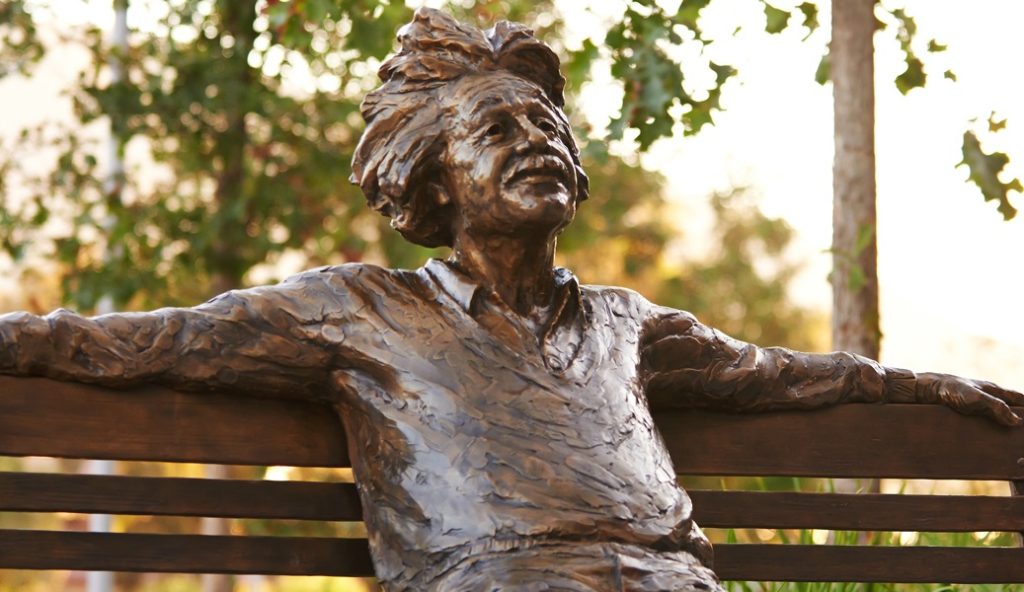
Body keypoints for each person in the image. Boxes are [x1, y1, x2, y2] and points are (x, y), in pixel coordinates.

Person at [1, 8, 1021, 591]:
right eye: (497, 130)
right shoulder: (355, 308)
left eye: (548, 126)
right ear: (433, 183)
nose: (538, 141)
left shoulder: (630, 324)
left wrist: (938, 391)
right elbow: (141, 343)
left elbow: (794, 376)